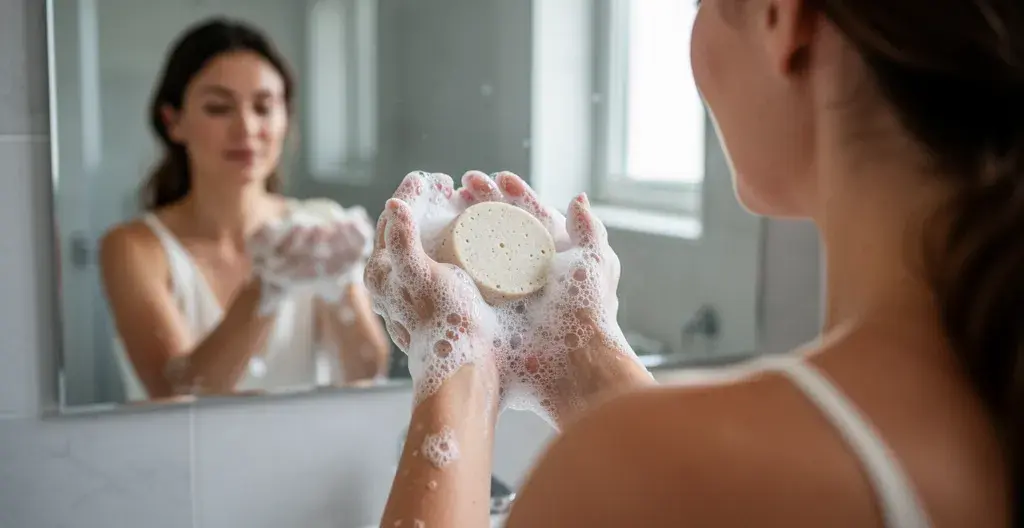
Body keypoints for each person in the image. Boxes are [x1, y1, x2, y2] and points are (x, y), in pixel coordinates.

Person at [369, 0, 1020, 526]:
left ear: (781, 17)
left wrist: (458, 369)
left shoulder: (634, 474)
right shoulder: (981, 414)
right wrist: (584, 351)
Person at [99, 18, 390, 401]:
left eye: (264, 107)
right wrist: (266, 288)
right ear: (173, 121)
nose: (247, 128)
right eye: (219, 108)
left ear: (285, 119)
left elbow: (367, 373)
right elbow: (174, 394)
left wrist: (342, 288)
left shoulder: (320, 227)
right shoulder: (134, 248)